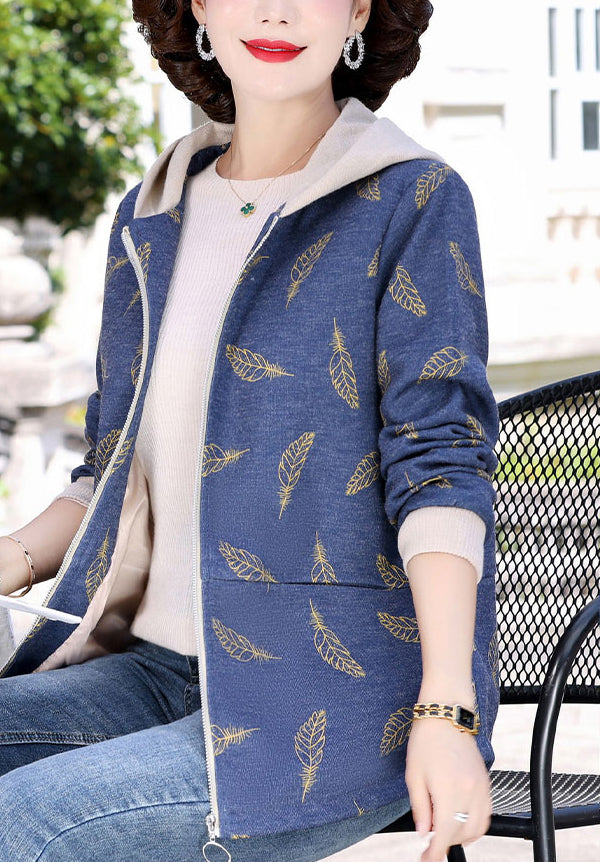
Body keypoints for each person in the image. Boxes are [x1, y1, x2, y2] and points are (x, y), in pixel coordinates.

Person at [0, 1, 500, 860]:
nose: (275, 10)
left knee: (26, 822)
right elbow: (109, 469)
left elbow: (440, 465)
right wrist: (11, 558)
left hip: (342, 701)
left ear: (359, 9)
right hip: (155, 670)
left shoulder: (412, 197)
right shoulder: (151, 215)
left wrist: (448, 710)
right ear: (198, 6)